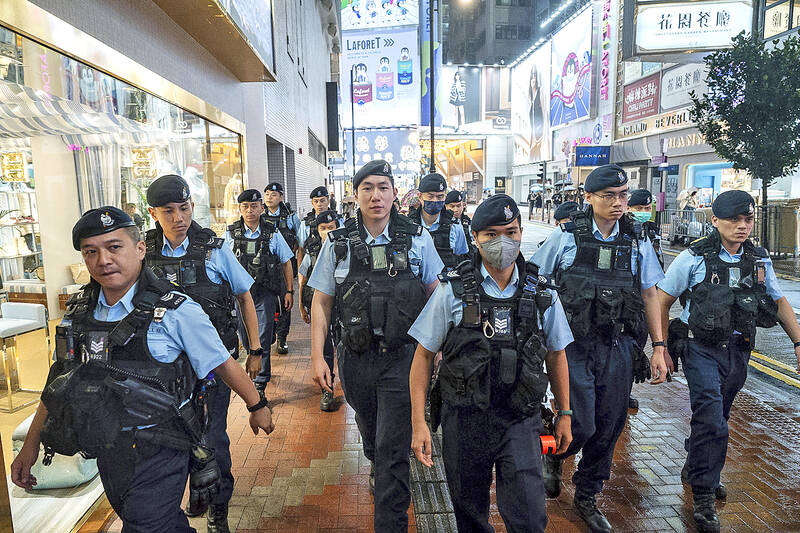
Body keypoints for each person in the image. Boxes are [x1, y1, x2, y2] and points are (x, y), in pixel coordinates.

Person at [11, 206, 274, 533]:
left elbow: (222, 362)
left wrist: (257, 406)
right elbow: (60, 381)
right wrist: (31, 443)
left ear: (139, 249)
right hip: (108, 448)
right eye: (91, 252)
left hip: (163, 446)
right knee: (153, 521)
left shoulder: (177, 310)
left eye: (114, 247)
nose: (103, 260)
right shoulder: (78, 313)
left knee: (144, 525)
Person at [409, 195, 573, 532]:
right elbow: (423, 356)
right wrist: (418, 422)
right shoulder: (453, 291)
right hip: (465, 420)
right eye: (491, 234)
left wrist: (565, 413)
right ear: (475, 237)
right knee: (470, 515)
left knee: (530, 516)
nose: (503, 242)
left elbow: (557, 353)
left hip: (519, 419)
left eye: (511, 232)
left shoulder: (542, 293)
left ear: (521, 232)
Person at [307, 160, 444, 532]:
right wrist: (318, 355)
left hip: (403, 360)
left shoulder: (418, 238)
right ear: (355, 195)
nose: (376, 196)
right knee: (371, 432)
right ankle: (375, 458)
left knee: (392, 448)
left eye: (383, 187)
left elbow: (435, 293)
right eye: (367, 188)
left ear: (395, 193)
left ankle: (391, 521)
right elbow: (322, 301)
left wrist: (436, 348)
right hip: (356, 360)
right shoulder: (337, 244)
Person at [530, 164, 668, 533]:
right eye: (609, 196)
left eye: (623, 195)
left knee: (610, 424)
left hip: (618, 345)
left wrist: (658, 346)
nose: (619, 202)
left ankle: (588, 494)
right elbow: (534, 280)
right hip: (573, 346)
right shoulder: (566, 237)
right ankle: (556, 453)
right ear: (588, 197)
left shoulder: (636, 239)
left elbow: (650, 294)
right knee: (582, 421)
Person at [657, 190, 800, 533]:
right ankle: (704, 495)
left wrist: (798, 342)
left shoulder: (759, 259)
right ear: (715, 221)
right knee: (712, 417)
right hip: (699, 348)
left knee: (718, 414)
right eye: (734, 220)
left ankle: (697, 463)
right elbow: (662, 300)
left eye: (748, 219)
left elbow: (778, 301)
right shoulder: (694, 257)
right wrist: (660, 348)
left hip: (738, 350)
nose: (742, 226)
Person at [144, 174, 264, 532]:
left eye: (184, 208)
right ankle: (196, 491)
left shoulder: (214, 249)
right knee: (174, 437)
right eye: (168, 211)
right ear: (153, 213)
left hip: (213, 366)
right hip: (164, 370)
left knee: (212, 437)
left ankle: (218, 505)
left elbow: (244, 296)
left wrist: (255, 349)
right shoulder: (143, 252)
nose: (178, 218)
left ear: (192, 207)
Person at [225, 189, 295, 394]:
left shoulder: (272, 233)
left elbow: (286, 262)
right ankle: (255, 360)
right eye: (245, 206)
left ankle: (260, 382)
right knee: (246, 336)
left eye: (254, 206)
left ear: (261, 208)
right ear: (240, 209)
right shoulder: (230, 234)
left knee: (262, 337)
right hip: (240, 295)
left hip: (265, 294)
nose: (250, 210)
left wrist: (289, 291)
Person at [298, 209, 341, 411]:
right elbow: (303, 280)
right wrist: (301, 306)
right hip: (320, 307)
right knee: (325, 348)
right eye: (323, 228)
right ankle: (328, 388)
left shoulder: (345, 249)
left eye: (331, 228)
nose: (327, 232)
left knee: (343, 345)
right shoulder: (312, 252)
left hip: (342, 309)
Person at [626, 188, 663, 410]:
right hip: (629, 298)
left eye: (647, 208)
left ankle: (626, 389)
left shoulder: (651, 231)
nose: (643, 212)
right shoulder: (627, 230)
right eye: (638, 208)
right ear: (629, 208)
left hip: (646, 298)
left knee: (638, 347)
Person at [263, 182, 304, 355]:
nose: (269, 197)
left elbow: (300, 242)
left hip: (284, 266)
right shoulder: (260, 216)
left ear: (281, 197)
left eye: (273, 195)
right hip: (265, 268)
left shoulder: (290, 217)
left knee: (285, 302)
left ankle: (282, 337)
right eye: (267, 194)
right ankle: (269, 333)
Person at [407, 173, 469, 270]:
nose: (435, 200)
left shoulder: (455, 227)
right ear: (420, 196)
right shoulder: (409, 226)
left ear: (445, 197)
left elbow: (461, 256)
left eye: (440, 197)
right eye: (430, 196)